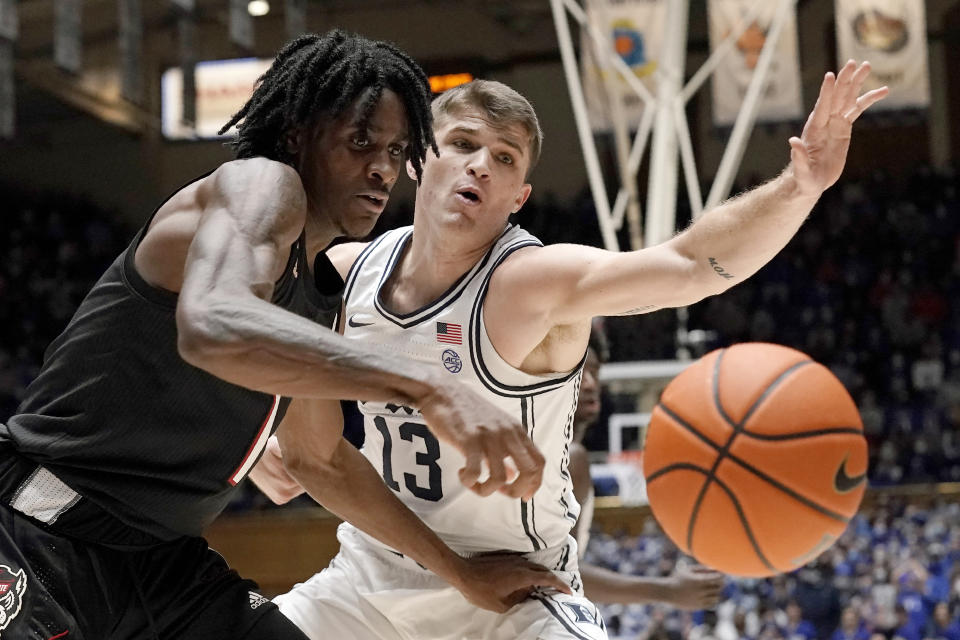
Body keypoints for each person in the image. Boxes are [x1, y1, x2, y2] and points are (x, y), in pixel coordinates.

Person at [266, 61, 887, 639]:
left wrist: (797, 188)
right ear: (419, 159)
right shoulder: (345, 273)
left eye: (504, 158)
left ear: (518, 198)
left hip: (515, 597)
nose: (480, 165)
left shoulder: (531, 283)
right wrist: (267, 435)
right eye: (462, 144)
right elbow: (246, 346)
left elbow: (688, 264)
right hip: (367, 582)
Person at [0, 31, 565, 640]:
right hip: (41, 532)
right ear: (298, 134)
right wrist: (426, 384)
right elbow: (212, 324)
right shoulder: (259, 185)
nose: (381, 167)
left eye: (397, 149)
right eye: (360, 141)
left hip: (163, 566)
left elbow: (321, 459)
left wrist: (459, 572)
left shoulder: (319, 288)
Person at [567, 323, 724, 609]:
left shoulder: (571, 454)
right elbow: (560, 575)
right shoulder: (569, 457)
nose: (590, 383)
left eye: (595, 371)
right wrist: (668, 591)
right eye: (579, 372)